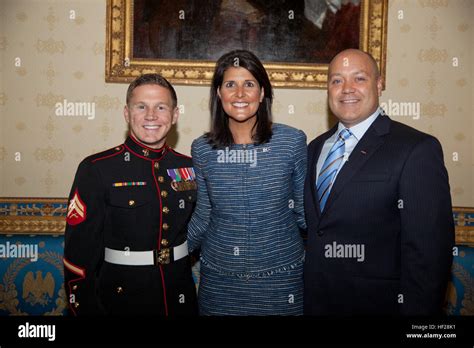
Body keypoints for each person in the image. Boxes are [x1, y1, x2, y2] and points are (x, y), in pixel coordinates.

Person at [303, 49, 454, 315]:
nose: (346, 89)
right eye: (337, 80)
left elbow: (428, 257)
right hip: (316, 303)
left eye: (359, 78)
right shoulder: (315, 148)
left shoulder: (416, 149)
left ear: (380, 83)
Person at [63, 74, 198, 316]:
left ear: (175, 115)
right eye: (141, 106)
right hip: (120, 301)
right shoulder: (97, 169)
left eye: (161, 107)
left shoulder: (189, 167)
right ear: (127, 113)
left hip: (179, 297)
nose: (151, 116)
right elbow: (78, 259)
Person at [187, 49, 307, 315]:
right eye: (230, 84)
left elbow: (303, 211)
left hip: (281, 280)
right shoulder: (203, 149)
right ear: (219, 93)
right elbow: (204, 214)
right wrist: (165, 253)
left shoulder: (291, 142)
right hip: (220, 282)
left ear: (262, 93)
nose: (240, 94)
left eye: (249, 84)